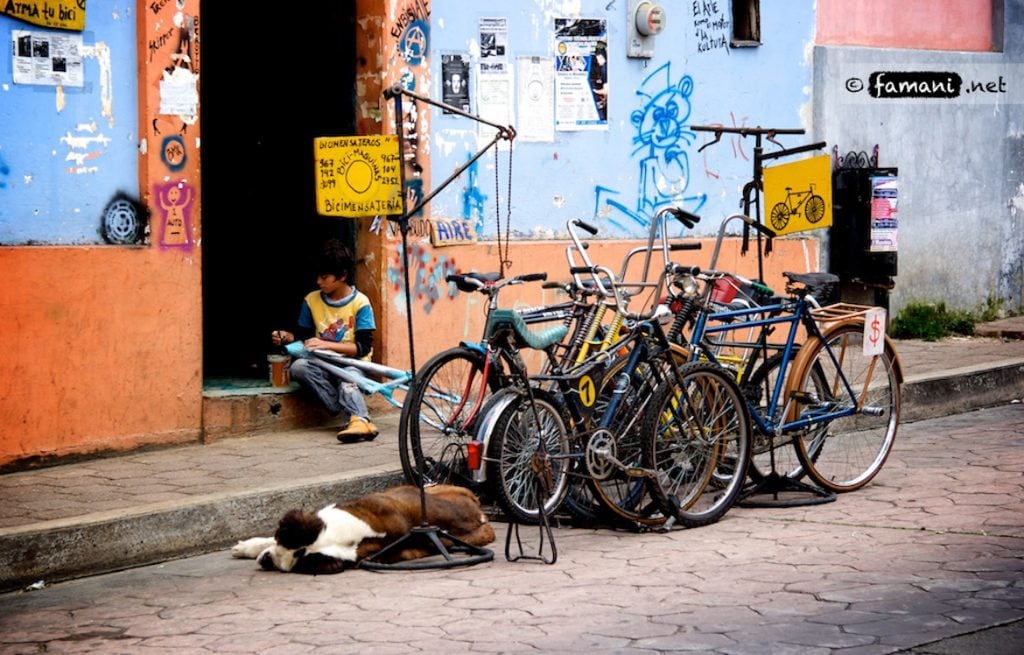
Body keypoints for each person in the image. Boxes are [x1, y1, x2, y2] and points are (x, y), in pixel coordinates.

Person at [271, 239, 378, 443]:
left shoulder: (360, 303)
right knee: (299, 367)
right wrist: (286, 336)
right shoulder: (311, 300)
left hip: (351, 363)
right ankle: (342, 408)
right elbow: (303, 338)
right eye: (318, 276)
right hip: (321, 363)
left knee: (349, 379)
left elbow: (363, 348)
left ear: (343, 276)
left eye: (324, 277)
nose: (319, 282)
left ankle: (361, 420)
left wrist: (327, 344)